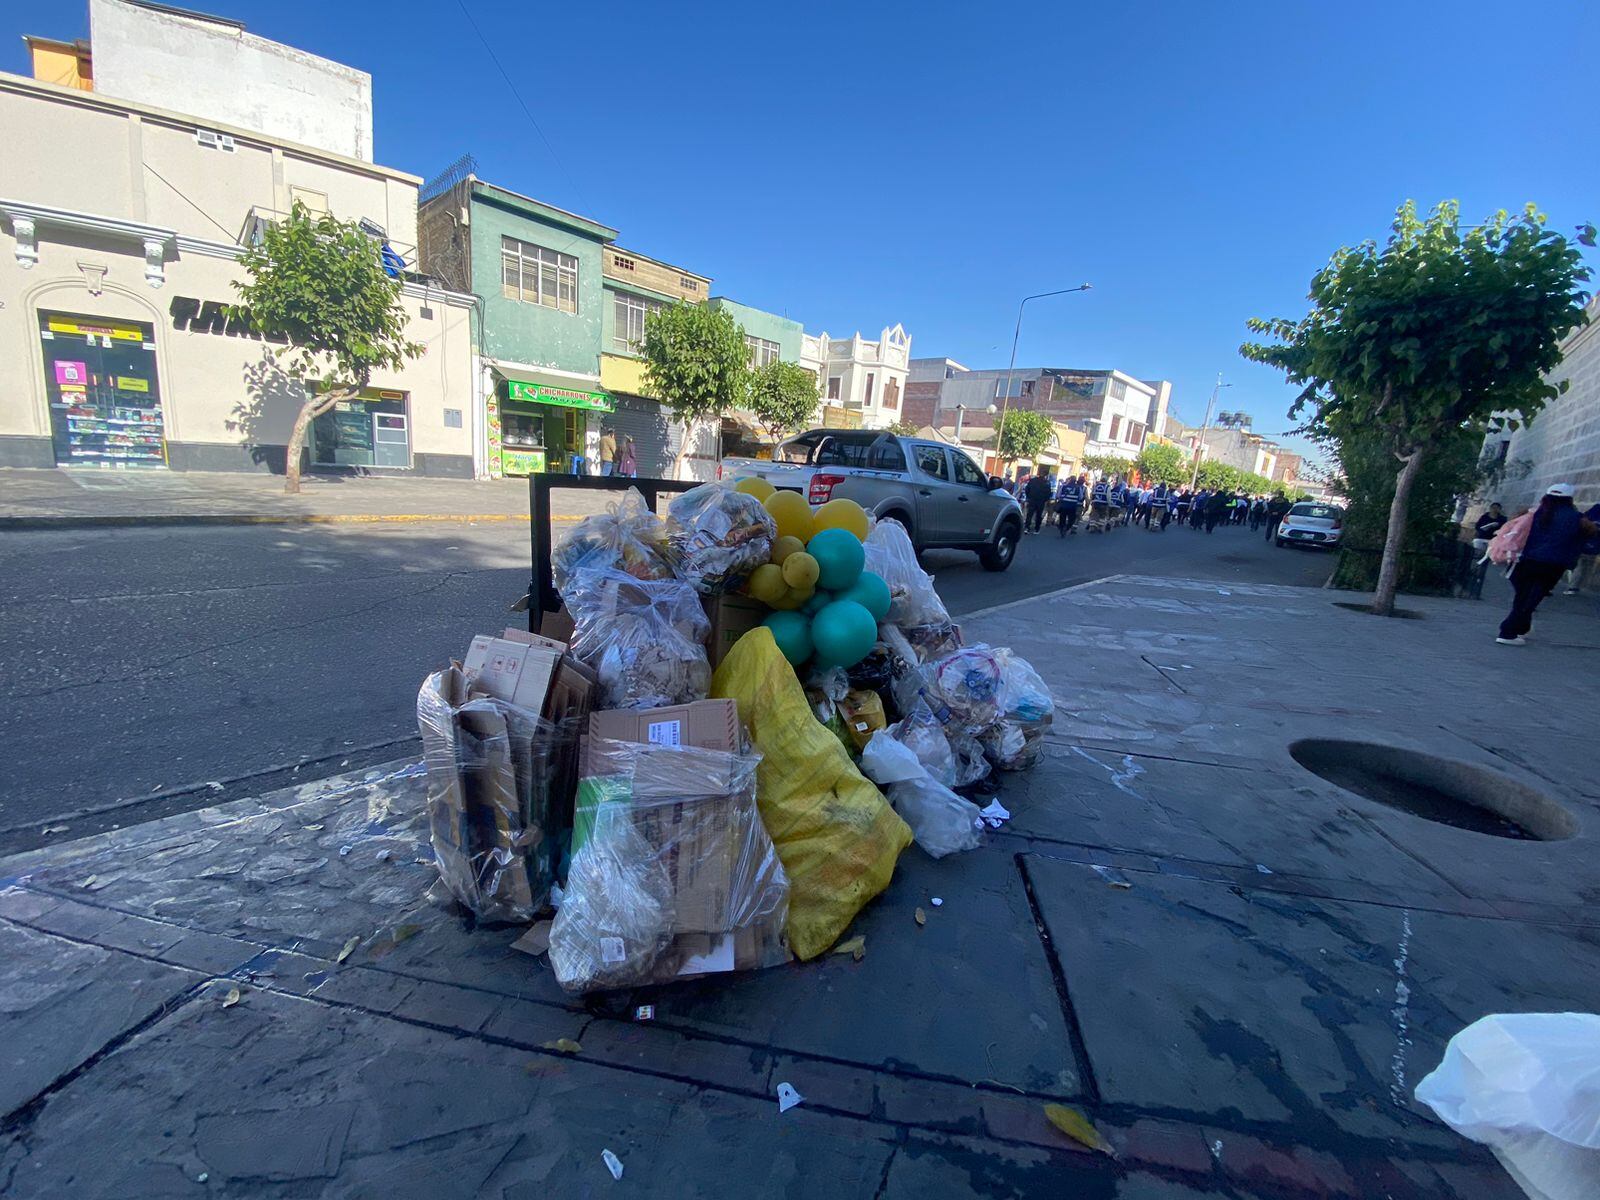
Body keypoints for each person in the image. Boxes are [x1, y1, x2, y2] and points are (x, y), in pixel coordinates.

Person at [1497, 484, 1597, 645]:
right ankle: (1507, 632)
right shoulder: (1576, 518)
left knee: (1522, 597)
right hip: (1553, 565)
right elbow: (1584, 538)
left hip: (1525, 561)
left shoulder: (1533, 514)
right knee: (1531, 599)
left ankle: (1521, 628)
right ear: (1569, 499)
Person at [1565, 502, 1600, 594]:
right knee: (1586, 567)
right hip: (1594, 545)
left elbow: (1584, 518)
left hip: (1586, 543)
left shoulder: (1596, 509)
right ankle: (1578, 586)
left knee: (1579, 566)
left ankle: (1573, 587)